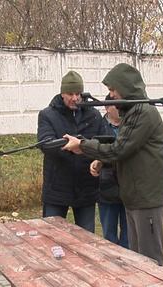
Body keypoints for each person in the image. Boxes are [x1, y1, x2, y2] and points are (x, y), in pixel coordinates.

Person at [62, 63, 163, 266]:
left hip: (146, 198)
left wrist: (83, 145)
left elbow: (120, 149)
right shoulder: (133, 112)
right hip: (135, 195)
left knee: (151, 262)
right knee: (139, 260)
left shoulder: (143, 112)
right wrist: (101, 159)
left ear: (125, 88)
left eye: (112, 90)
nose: (110, 96)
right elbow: (123, 148)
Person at [37, 70, 110, 232]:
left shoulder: (94, 115)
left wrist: (86, 149)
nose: (75, 98)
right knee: (52, 235)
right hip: (57, 188)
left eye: (78, 93)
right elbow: (45, 144)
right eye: (70, 93)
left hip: (86, 188)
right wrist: (70, 146)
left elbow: (104, 142)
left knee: (86, 238)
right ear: (62, 93)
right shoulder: (47, 115)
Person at [91, 96, 128, 248]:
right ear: (106, 108)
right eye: (115, 106)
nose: (119, 109)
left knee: (128, 234)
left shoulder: (130, 125)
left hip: (127, 186)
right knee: (109, 235)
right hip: (106, 187)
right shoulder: (98, 126)